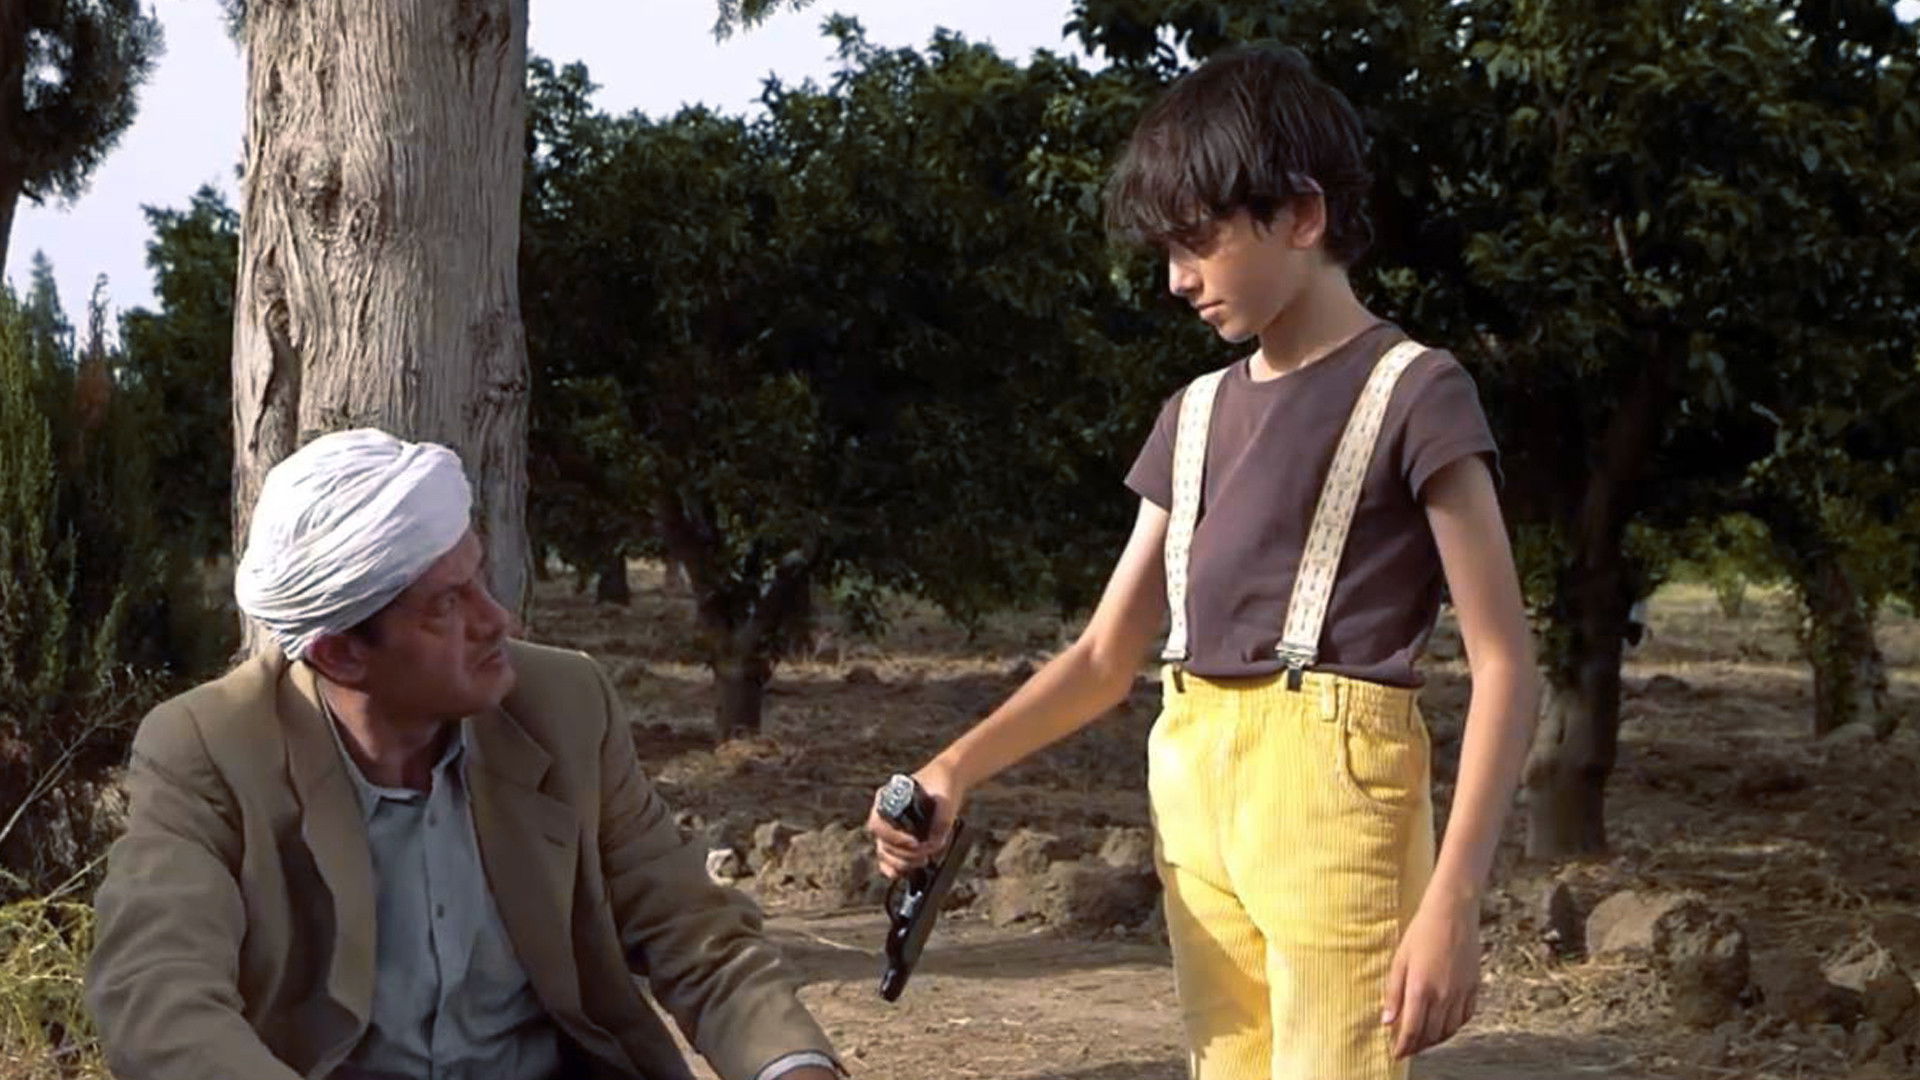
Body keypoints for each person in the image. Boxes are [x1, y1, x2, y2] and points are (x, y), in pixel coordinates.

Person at [867, 44, 1540, 1080]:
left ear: (1301, 215)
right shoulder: (1191, 417)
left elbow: (1505, 665)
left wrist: (1453, 900)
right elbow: (1105, 657)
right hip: (1192, 796)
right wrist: (951, 769)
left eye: (1198, 242)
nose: (1177, 280)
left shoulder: (1415, 392)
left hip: (1334, 810)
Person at [87, 429, 842, 1080]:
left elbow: (696, 934)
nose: (496, 619)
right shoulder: (210, 748)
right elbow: (157, 995)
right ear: (341, 654)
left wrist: (791, 1064)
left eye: (477, 578)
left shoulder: (565, 706)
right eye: (447, 604)